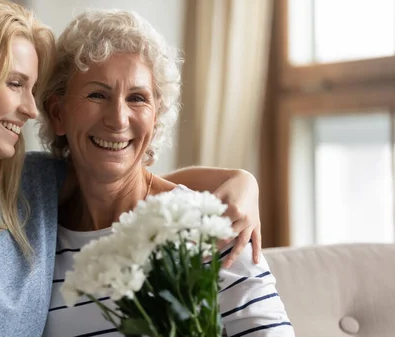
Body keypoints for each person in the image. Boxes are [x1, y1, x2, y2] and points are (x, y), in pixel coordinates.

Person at [0, 1, 262, 336]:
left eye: (33, 89)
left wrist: (241, 182)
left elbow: (125, 177)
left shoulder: (26, 185)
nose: (31, 109)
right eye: (16, 84)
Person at [38, 9, 295, 337]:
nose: (118, 119)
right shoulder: (38, 238)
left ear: (156, 117)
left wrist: (245, 179)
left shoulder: (211, 227)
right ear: (58, 114)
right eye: (97, 94)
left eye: (137, 98)